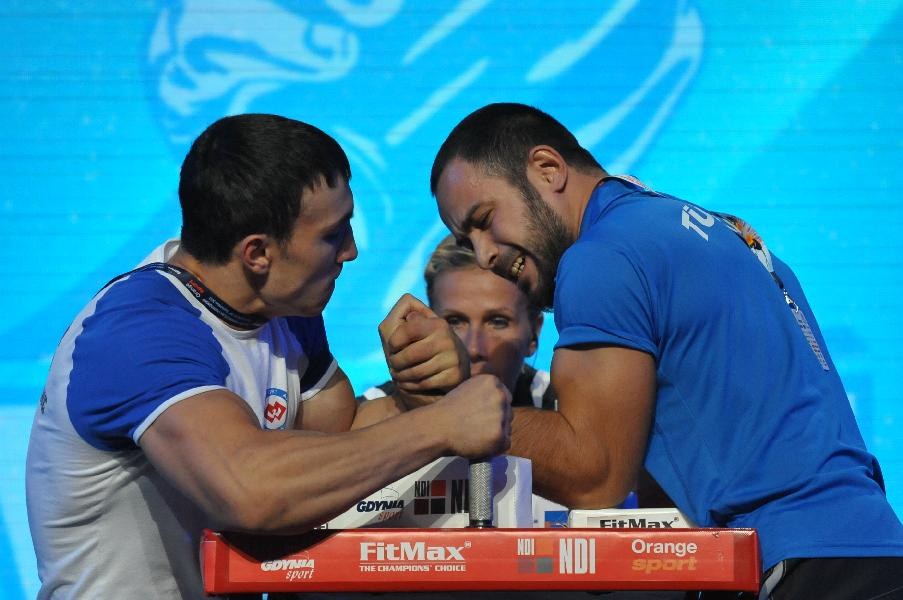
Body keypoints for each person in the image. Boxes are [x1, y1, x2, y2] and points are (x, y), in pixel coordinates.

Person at [25, 113, 511, 599]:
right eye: (333, 234)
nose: (352, 250)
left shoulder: (282, 307)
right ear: (257, 253)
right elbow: (250, 490)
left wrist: (425, 387)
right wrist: (439, 424)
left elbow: (338, 441)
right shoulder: (136, 332)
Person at [430, 103, 903, 599]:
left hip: (805, 569)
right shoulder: (717, 231)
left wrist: (447, 408)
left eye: (484, 221)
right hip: (873, 550)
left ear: (548, 169)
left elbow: (595, 473)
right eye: (466, 239)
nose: (484, 255)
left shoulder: (602, 256)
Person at [360, 233, 555, 411]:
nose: (472, 349)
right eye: (454, 322)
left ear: (533, 334)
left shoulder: (565, 410)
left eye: (498, 322)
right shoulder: (369, 413)